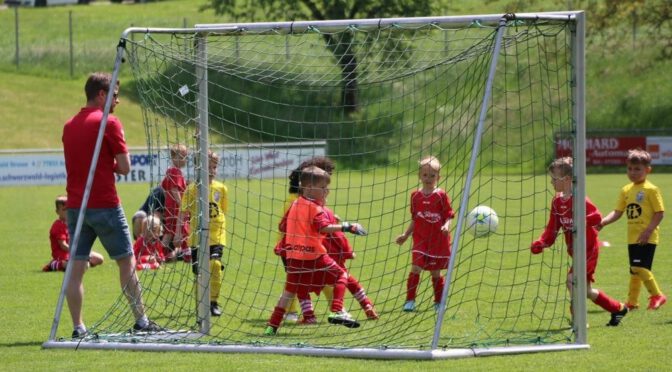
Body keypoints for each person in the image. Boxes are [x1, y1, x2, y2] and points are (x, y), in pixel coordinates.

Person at [62, 72, 162, 339]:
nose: (117, 101)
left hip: (76, 206)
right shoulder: (109, 122)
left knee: (76, 268)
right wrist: (113, 166)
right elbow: (126, 166)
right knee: (126, 262)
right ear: (102, 95)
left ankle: (78, 327)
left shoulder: (69, 125)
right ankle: (141, 321)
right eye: (115, 96)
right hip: (105, 204)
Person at [265, 166, 365, 335]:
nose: (327, 192)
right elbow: (323, 227)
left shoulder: (295, 203)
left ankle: (271, 327)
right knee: (342, 275)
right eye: (323, 188)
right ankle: (337, 310)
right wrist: (347, 227)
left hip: (294, 256)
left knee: (288, 292)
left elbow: (282, 225)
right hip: (315, 255)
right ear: (309, 188)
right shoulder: (315, 209)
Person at [531, 157, 628, 326]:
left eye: (554, 179)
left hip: (588, 249)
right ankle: (618, 308)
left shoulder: (580, 198)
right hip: (575, 251)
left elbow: (596, 217)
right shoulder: (556, 201)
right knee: (586, 291)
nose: (551, 183)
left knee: (571, 281)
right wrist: (542, 243)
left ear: (567, 179)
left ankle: (579, 320)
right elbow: (552, 228)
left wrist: (580, 221)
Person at [599, 149, 666, 311]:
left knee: (638, 267)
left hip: (647, 236)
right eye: (629, 168)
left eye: (637, 169)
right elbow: (618, 212)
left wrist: (648, 230)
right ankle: (632, 302)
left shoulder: (651, 189)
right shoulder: (626, 190)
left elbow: (659, 212)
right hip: (632, 237)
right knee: (634, 271)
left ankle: (657, 295)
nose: (633, 173)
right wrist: (603, 222)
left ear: (647, 170)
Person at [274, 157, 336, 323]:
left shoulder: (309, 199)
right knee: (297, 281)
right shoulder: (297, 201)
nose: (327, 186)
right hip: (293, 247)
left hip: (310, 245)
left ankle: (331, 310)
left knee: (315, 279)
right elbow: (285, 226)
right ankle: (294, 312)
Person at [396, 156, 454, 312]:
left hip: (437, 241)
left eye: (432, 175)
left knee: (435, 272)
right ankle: (410, 301)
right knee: (415, 268)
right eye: (425, 175)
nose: (428, 178)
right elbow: (416, 218)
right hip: (420, 240)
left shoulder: (441, 195)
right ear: (419, 176)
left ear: (438, 177)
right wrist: (406, 235)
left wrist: (446, 226)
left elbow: (448, 215)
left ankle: (438, 302)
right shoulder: (415, 196)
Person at [181, 150, 228, 316]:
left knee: (215, 265)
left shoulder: (221, 188)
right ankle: (202, 303)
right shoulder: (192, 189)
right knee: (200, 272)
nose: (212, 170)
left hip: (216, 236)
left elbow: (223, 211)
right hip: (197, 237)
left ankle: (214, 302)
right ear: (198, 167)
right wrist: (179, 234)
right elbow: (183, 212)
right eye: (209, 166)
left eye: (214, 166)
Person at [43, 195, 104, 272]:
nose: (67, 212)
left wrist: (84, 251)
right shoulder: (58, 225)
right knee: (83, 266)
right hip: (63, 255)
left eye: (68, 209)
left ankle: (79, 263)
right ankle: (54, 264)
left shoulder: (73, 223)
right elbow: (63, 245)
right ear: (57, 212)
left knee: (99, 259)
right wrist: (78, 251)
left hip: (75, 253)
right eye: (63, 210)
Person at [161, 144, 190, 261]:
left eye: (186, 156)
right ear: (174, 157)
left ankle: (161, 254)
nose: (185, 160)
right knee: (183, 230)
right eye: (183, 157)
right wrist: (181, 204)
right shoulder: (176, 171)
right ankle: (187, 254)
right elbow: (174, 190)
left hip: (170, 207)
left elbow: (163, 187)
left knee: (169, 232)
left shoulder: (169, 170)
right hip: (176, 208)